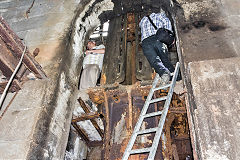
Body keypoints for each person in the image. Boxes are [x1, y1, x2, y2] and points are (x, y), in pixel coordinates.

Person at [139, 12, 175, 84]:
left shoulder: (142, 21)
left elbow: (141, 30)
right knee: (164, 59)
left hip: (145, 42)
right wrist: (169, 36)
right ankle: (172, 75)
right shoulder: (159, 15)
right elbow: (167, 22)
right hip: (157, 38)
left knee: (154, 60)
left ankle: (165, 74)